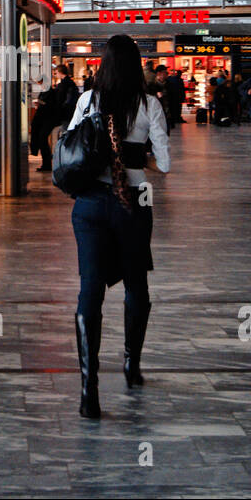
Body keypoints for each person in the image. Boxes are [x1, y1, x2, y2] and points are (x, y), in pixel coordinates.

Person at [65, 34, 170, 419]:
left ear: (104, 64)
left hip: (91, 200)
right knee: (136, 283)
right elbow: (167, 163)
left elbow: (70, 145)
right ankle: (131, 364)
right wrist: (136, 159)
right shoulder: (150, 104)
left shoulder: (86, 100)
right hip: (136, 200)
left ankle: (88, 391)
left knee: (89, 289)